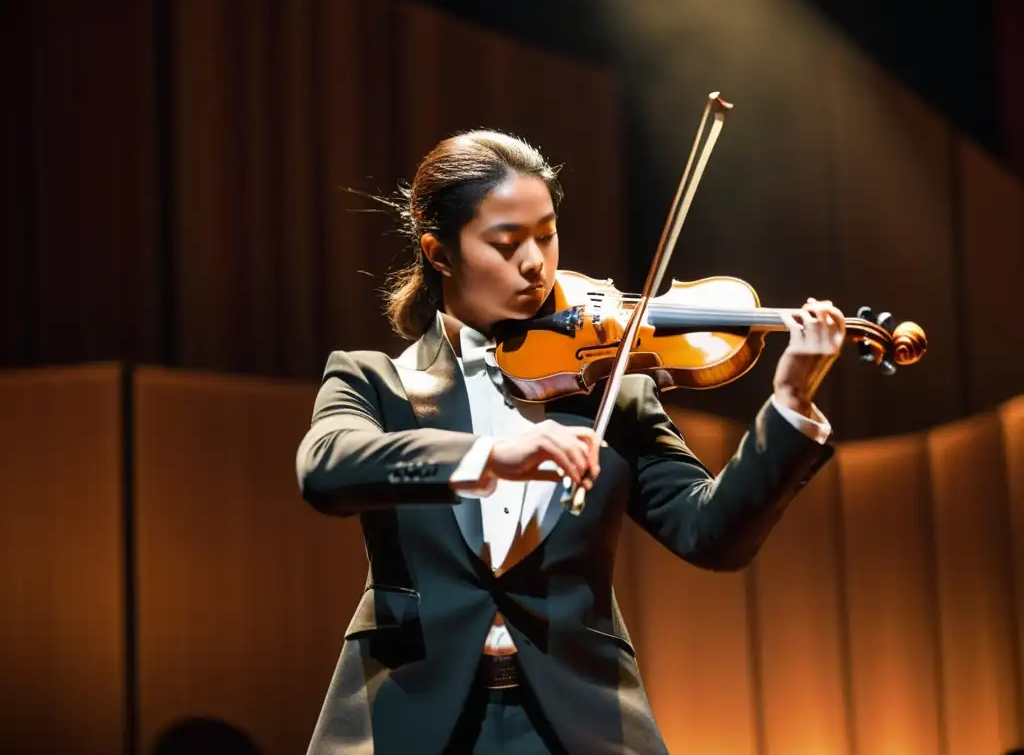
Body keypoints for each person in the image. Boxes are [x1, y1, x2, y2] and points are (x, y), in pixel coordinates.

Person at [295, 130, 844, 754]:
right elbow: (326, 468)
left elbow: (710, 533)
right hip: (407, 716)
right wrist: (491, 456)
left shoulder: (613, 390)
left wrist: (792, 408)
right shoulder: (377, 380)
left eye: (547, 234)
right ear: (440, 254)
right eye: (506, 243)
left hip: (573, 723)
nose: (536, 263)